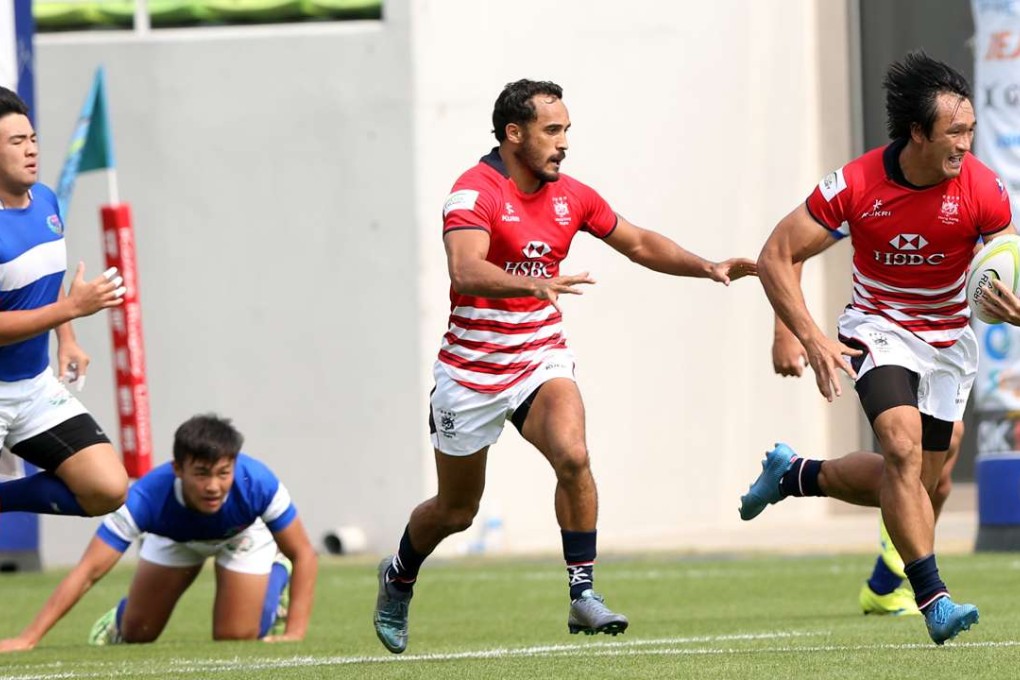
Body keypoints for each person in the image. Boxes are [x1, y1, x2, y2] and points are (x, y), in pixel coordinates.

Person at [372, 78, 757, 654]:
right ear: (514, 134)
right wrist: (536, 281)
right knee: (456, 511)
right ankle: (399, 574)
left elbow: (640, 242)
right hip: (471, 373)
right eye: (552, 131)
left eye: (566, 130)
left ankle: (583, 593)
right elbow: (464, 269)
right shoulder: (472, 192)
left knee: (573, 455)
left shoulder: (571, 195)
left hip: (538, 358)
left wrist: (707, 266)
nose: (564, 143)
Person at [740, 50, 1017, 645]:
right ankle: (934, 599)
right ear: (917, 132)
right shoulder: (858, 185)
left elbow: (1005, 263)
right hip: (878, 326)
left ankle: (795, 474)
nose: (967, 144)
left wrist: (1009, 302)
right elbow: (776, 256)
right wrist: (808, 335)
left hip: (950, 341)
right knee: (899, 445)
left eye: (971, 130)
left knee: (921, 482)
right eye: (955, 132)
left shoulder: (984, 190)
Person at [0, 414, 318, 652]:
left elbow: (303, 553)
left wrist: (295, 632)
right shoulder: (146, 498)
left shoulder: (258, 482)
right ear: (177, 469)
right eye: (201, 474)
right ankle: (119, 618)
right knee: (137, 634)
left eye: (223, 474)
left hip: (242, 537)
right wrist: (28, 638)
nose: (213, 486)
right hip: (174, 538)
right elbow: (88, 571)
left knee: (235, 637)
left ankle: (276, 577)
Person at [771, 310, 962, 616]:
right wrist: (786, 332)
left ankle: (795, 475)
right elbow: (781, 260)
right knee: (904, 452)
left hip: (943, 334)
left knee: (931, 480)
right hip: (880, 326)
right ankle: (928, 595)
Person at [0, 86, 129, 519]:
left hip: (35, 387)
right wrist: (72, 309)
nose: (31, 150)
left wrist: (67, 338)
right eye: (17, 143)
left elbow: (47, 278)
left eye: (32, 139)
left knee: (108, 488)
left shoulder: (47, 202)